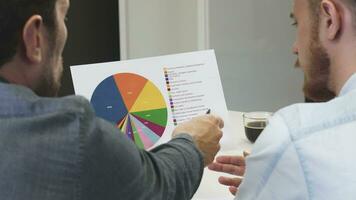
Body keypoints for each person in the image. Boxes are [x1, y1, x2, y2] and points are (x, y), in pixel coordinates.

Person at [0, 0, 224, 199]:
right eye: (63, 15)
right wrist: (191, 143)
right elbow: (158, 186)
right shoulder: (72, 134)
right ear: (34, 38)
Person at [209, 0, 356, 199]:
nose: (295, 47)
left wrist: (283, 162)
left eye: (297, 24)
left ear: (331, 20)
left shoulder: (297, 135)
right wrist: (284, 177)